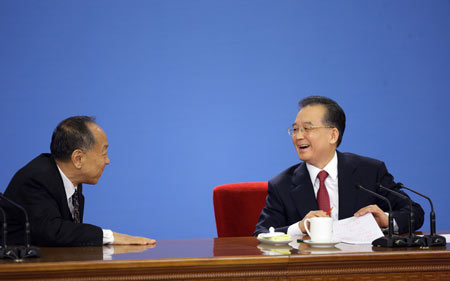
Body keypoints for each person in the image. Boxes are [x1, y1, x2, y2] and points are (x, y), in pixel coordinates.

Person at [254, 96, 424, 236]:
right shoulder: (282, 185)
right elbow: (261, 234)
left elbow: (414, 213)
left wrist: (387, 220)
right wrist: (300, 227)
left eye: (307, 128)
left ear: (333, 135)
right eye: (295, 129)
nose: (298, 136)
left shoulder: (369, 172)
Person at [2, 116, 156, 246]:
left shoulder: (71, 180)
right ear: (78, 158)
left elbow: (70, 236)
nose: (107, 161)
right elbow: (52, 232)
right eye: (104, 153)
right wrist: (111, 237)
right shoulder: (36, 179)